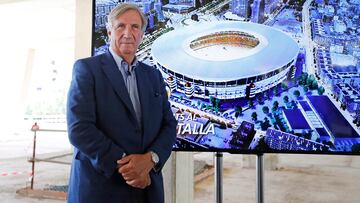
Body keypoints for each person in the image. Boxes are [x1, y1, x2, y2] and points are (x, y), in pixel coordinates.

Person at [66, 3, 177, 203]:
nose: (128, 33)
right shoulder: (87, 70)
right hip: (100, 190)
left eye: (135, 27)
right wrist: (129, 167)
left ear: (142, 34)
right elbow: (79, 129)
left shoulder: (153, 76)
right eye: (120, 26)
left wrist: (150, 159)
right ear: (109, 31)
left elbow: (169, 125)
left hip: (147, 190)